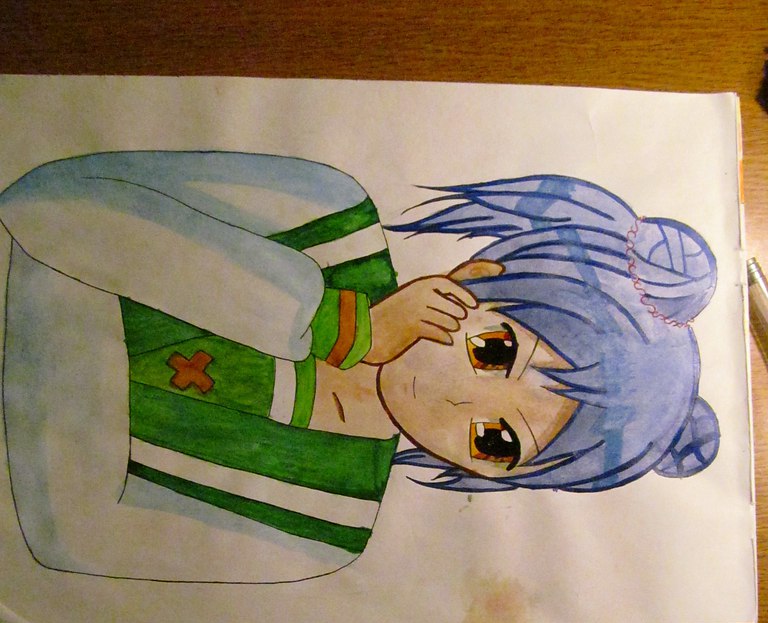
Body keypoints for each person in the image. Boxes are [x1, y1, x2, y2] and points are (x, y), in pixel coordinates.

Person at [0, 154, 718, 583]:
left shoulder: (323, 530)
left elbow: (69, 539)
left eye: (497, 440)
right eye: (494, 351)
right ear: (476, 276)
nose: (458, 401)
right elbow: (43, 206)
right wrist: (333, 323)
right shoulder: (332, 222)